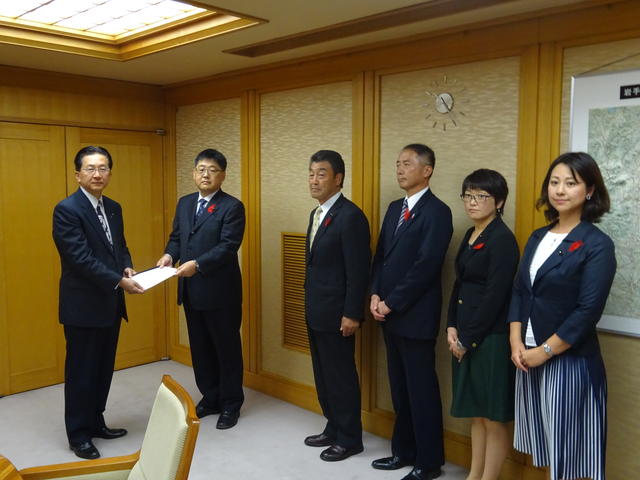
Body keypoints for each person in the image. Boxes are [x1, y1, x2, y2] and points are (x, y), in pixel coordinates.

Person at [508, 152, 616, 480]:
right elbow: (520, 291)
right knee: (546, 446)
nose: (560, 190)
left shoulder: (596, 244)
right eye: (555, 182)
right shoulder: (539, 237)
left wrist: (544, 351)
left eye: (571, 183)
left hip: (568, 361)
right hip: (526, 355)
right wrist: (515, 341)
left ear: (590, 191)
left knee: (567, 451)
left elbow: (587, 312)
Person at [53, 146, 144, 460]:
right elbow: (80, 259)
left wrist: (127, 266)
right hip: (83, 307)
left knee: (103, 369)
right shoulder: (67, 209)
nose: (97, 174)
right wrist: (119, 281)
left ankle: (96, 422)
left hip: (110, 305)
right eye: (90, 168)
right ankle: (78, 434)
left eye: (103, 168)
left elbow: (119, 246)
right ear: (77, 173)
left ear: (109, 173)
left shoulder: (114, 207)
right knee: (81, 372)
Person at [370, 143, 453, 480]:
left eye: (407, 164)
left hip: (415, 317)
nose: (400, 169)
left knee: (421, 391)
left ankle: (429, 461)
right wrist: (375, 294)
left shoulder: (438, 212)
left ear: (427, 170)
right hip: (387, 314)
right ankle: (402, 452)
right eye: (397, 163)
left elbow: (426, 267)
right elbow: (381, 257)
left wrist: (392, 302)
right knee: (399, 389)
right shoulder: (394, 208)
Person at [157, 148, 245, 430]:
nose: (205, 175)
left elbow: (228, 247)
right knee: (201, 348)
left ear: (222, 175)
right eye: (201, 169)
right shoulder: (184, 203)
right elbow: (176, 238)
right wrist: (169, 255)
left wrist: (197, 264)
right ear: (194, 173)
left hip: (221, 293)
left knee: (226, 348)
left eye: (212, 170)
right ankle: (210, 396)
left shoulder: (232, 207)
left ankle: (231, 403)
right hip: (191, 290)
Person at [446, 169, 519, 480]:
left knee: (493, 417)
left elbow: (494, 297)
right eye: (468, 195)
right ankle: (473, 475)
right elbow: (460, 283)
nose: (472, 202)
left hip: (489, 338)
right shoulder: (471, 233)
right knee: (476, 413)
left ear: (499, 201)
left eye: (481, 196)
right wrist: (451, 325)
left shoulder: (503, 240)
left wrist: (467, 339)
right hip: (464, 332)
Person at [303, 150, 370, 462]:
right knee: (323, 374)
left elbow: (358, 271)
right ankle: (333, 425)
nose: (314, 180)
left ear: (338, 178)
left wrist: (352, 313)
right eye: (312, 173)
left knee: (341, 376)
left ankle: (350, 437)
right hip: (316, 309)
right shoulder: (316, 213)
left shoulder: (351, 216)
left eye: (322, 174)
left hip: (338, 313)